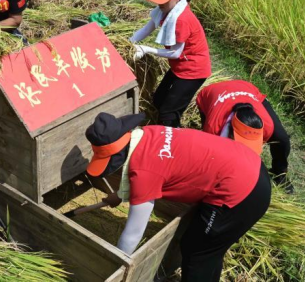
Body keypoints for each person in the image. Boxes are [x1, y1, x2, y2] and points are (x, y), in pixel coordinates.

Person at [85, 112, 271, 282]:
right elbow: (153, 163)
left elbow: (133, 234)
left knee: (197, 252)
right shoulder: (149, 133)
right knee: (209, 251)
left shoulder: (145, 173)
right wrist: (119, 195)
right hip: (250, 166)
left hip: (243, 192)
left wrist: (113, 269)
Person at [131, 0, 211, 127]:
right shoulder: (165, 10)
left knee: (168, 113)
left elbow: (175, 53)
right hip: (179, 66)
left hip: (193, 70)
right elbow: (147, 29)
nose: (159, 3)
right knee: (158, 100)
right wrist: (128, 43)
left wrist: (146, 49)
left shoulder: (181, 19)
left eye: (163, 0)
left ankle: (173, 141)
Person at [196, 80, 293, 193]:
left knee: (282, 139)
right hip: (212, 92)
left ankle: (280, 174)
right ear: (231, 132)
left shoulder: (267, 126)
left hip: (246, 88)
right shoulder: (213, 128)